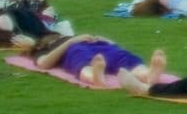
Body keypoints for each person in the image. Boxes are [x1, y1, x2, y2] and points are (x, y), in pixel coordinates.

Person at [27, 33, 165, 85]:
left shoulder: (71, 36)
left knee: (121, 55)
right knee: (80, 57)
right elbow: (43, 64)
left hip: (101, 47)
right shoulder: (44, 48)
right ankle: (95, 76)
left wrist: (105, 40)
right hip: (73, 49)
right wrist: (70, 42)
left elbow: (114, 46)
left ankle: (148, 75)